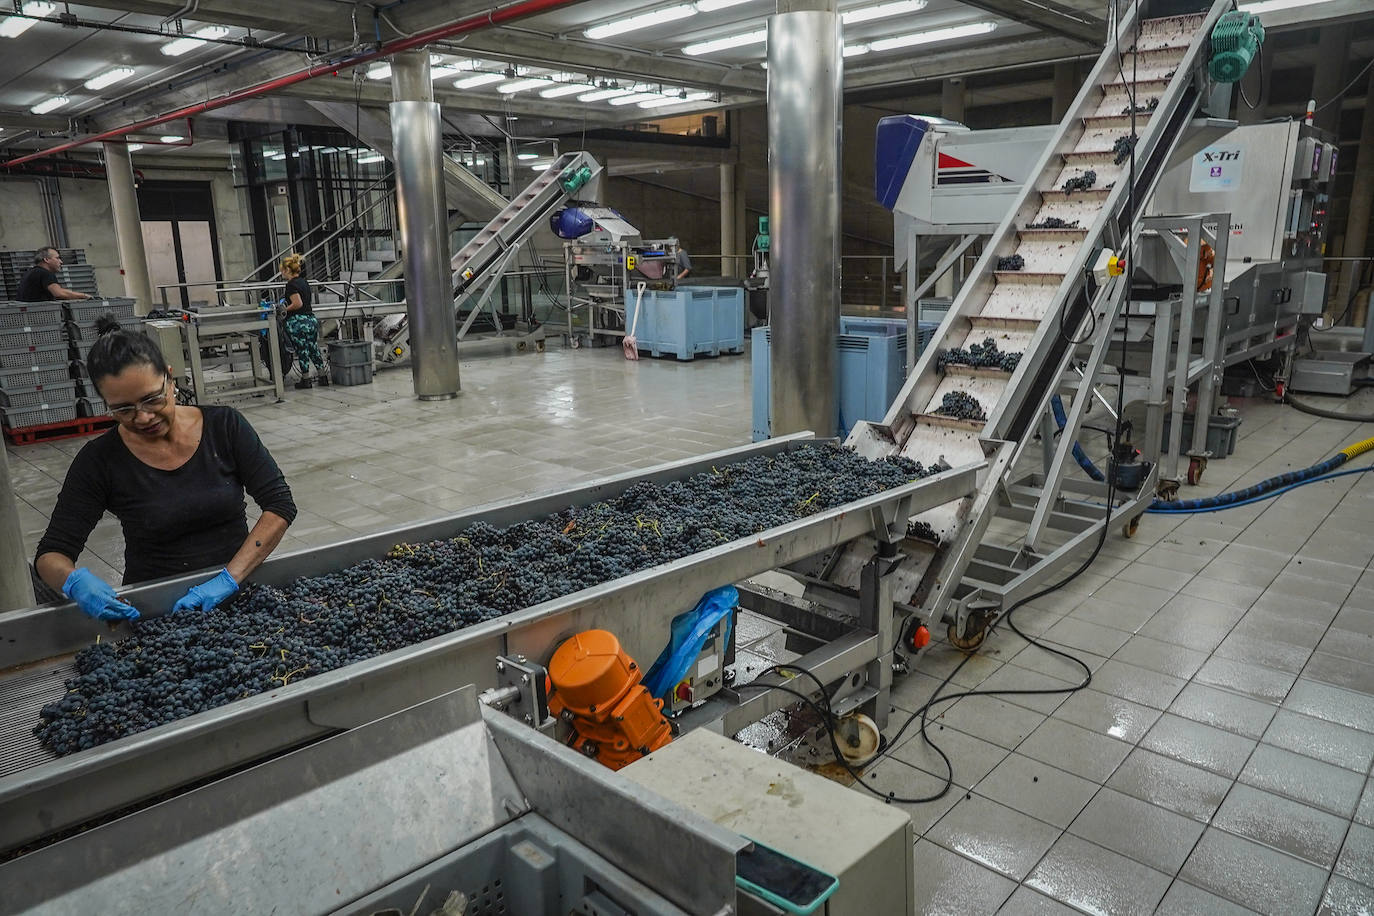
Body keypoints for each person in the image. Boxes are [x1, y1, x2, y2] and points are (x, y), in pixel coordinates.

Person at [34, 316, 297, 621]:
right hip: (156, 608)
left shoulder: (224, 427)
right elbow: (51, 554)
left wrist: (229, 578)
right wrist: (74, 581)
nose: (143, 417)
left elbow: (279, 505)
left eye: (152, 399)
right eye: (123, 408)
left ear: (170, 379)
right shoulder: (99, 460)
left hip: (238, 590)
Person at [280, 252, 328, 389]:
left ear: (287, 270)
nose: (282, 273)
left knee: (302, 350)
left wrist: (284, 309)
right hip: (311, 319)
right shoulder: (304, 281)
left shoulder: (291, 285)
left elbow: (297, 303)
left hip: (298, 321)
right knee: (313, 348)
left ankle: (305, 379)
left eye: (282, 271)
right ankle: (322, 376)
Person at [17, 247, 94, 302]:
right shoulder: (45, 273)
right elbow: (58, 293)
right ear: (46, 260)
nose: (61, 262)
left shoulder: (30, 272)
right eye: (57, 258)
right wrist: (84, 296)